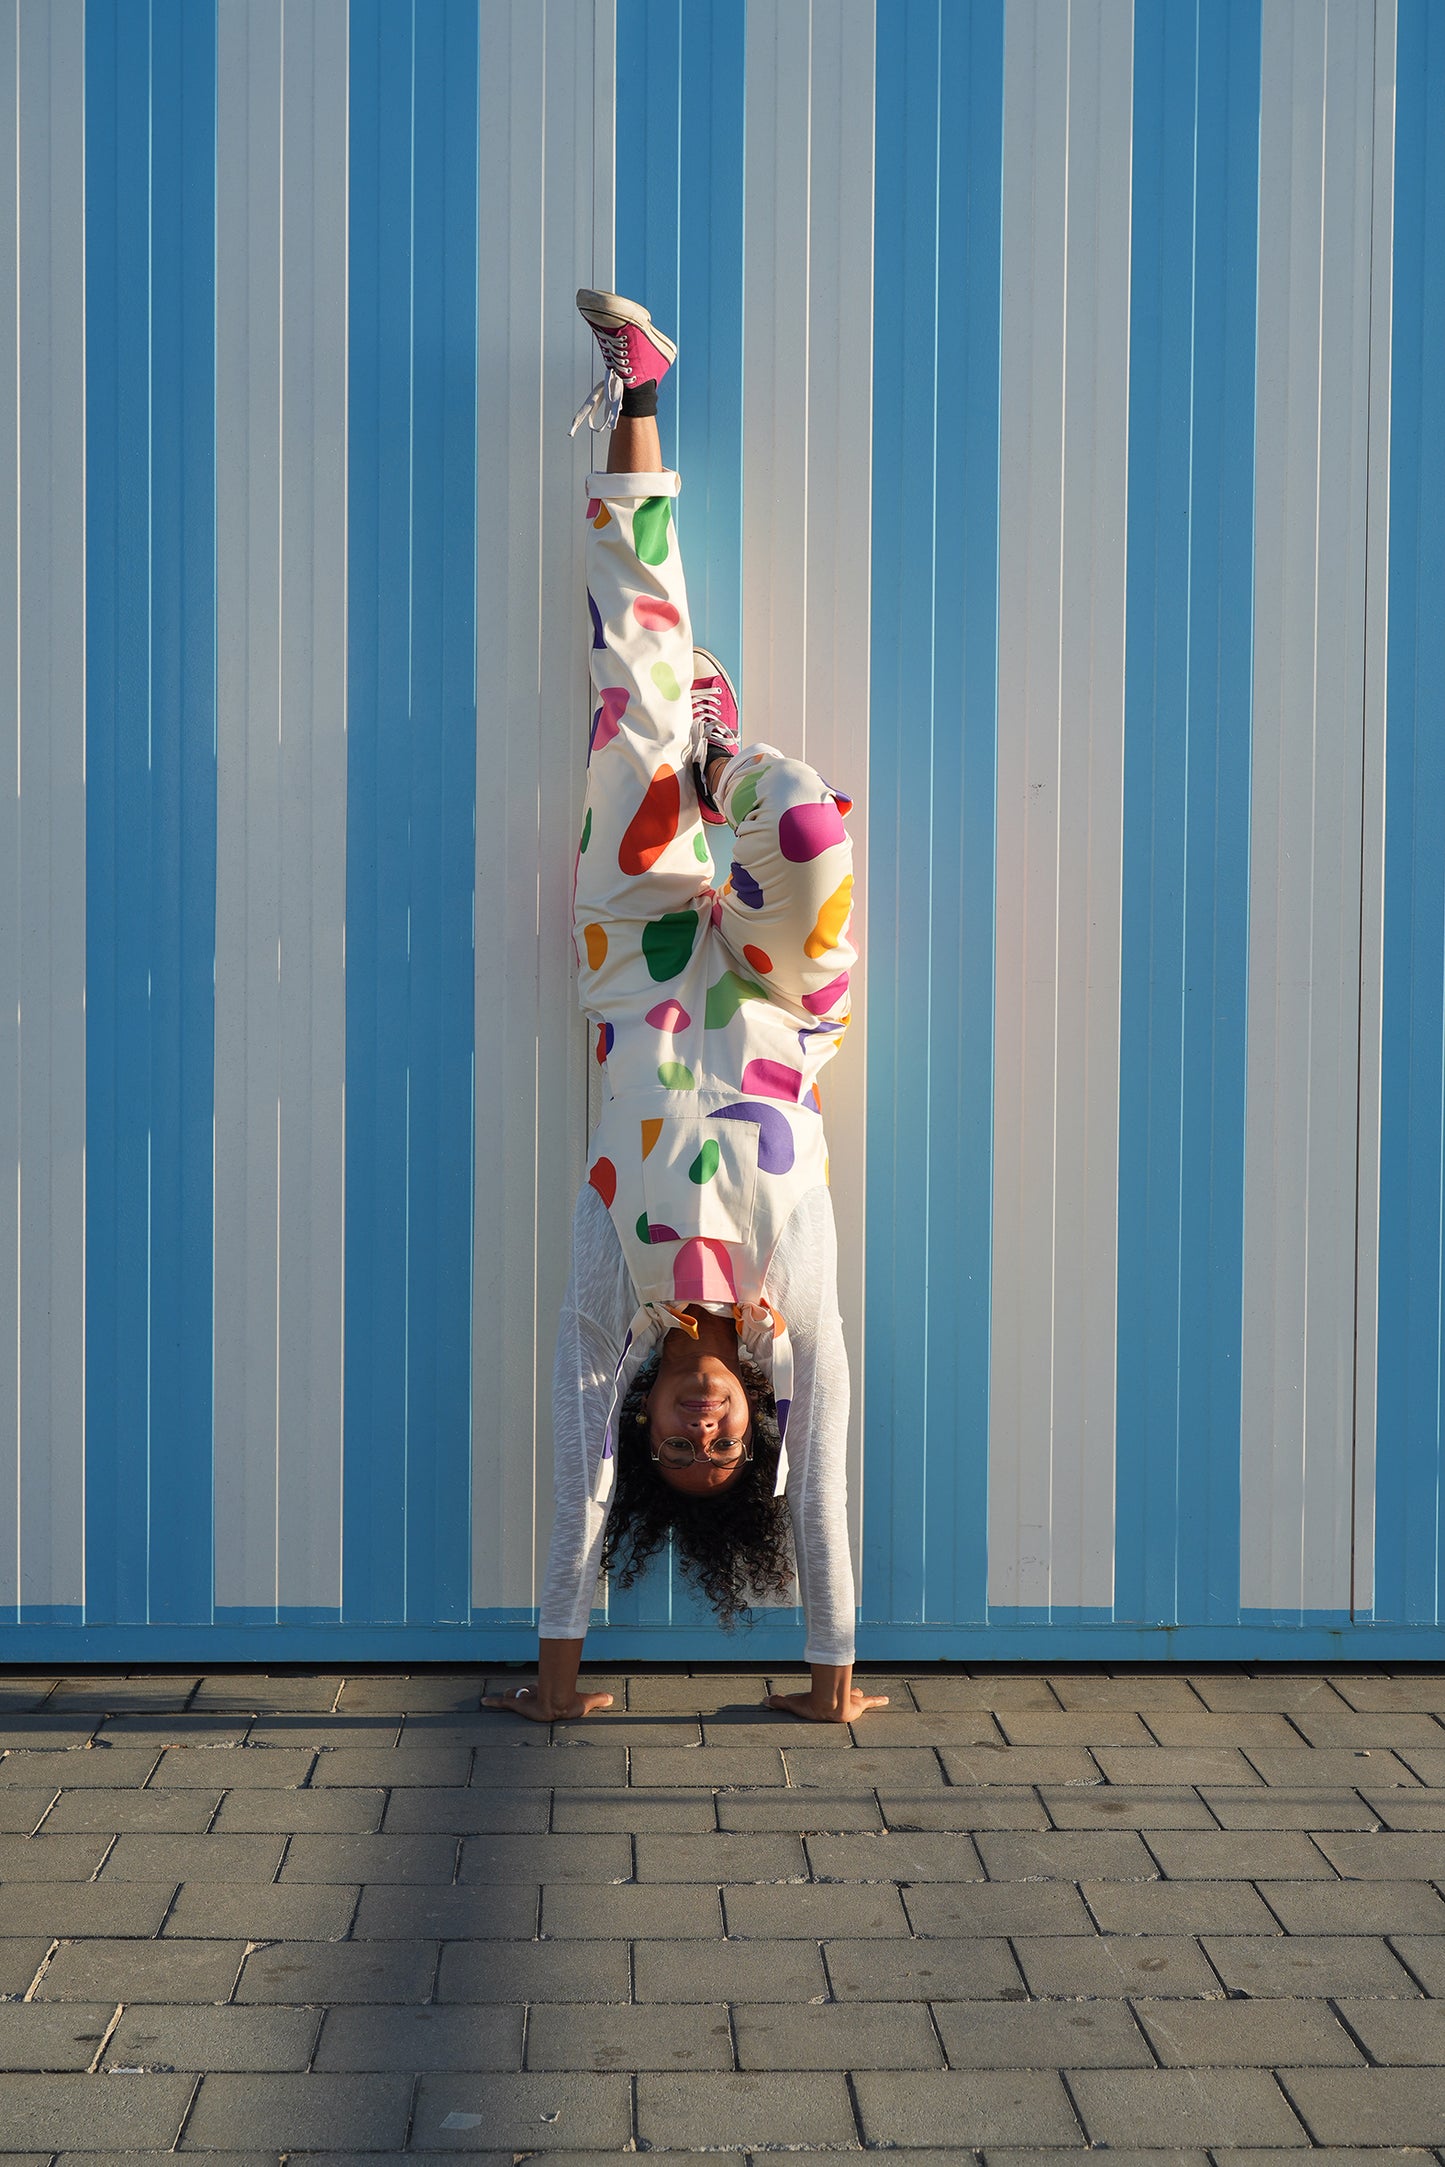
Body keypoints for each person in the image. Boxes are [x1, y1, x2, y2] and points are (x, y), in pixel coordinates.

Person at [483, 291, 884, 1727]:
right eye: (724, 1447)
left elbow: (567, 1474)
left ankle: (640, 387)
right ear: (747, 1428)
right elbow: (825, 1485)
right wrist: (830, 1686)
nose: (697, 1431)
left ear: (650, 1424)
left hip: (636, 957)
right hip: (782, 1004)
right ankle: (728, 764)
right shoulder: (801, 1324)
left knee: (628, 690)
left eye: (678, 1446)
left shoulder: (613, 1289)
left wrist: (554, 1681)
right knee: (814, 840)